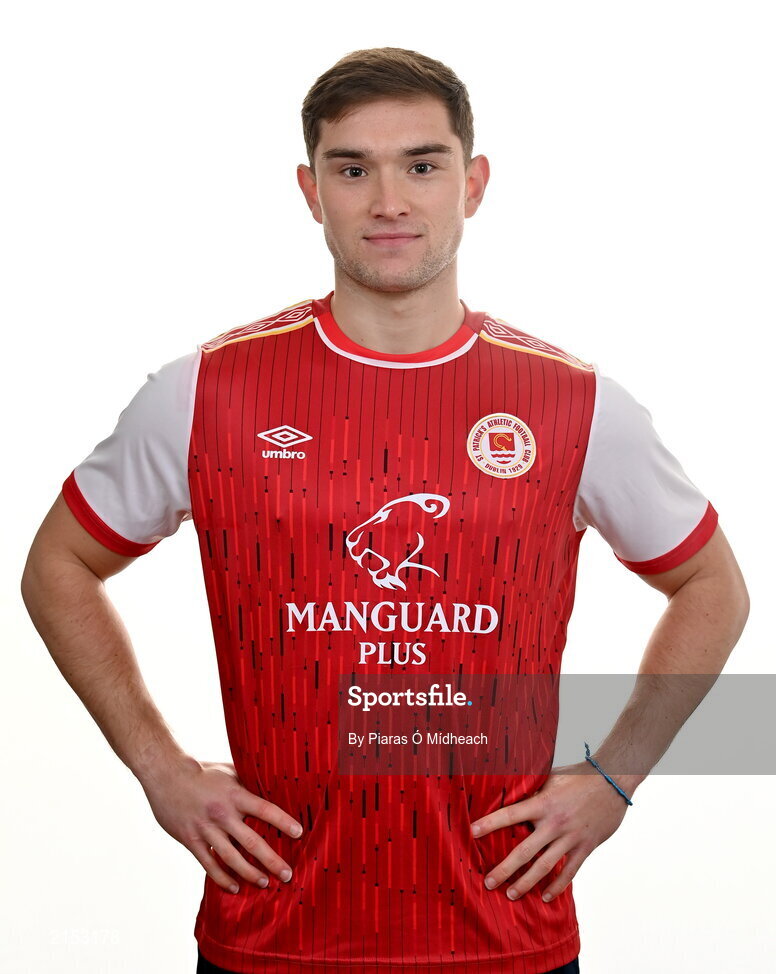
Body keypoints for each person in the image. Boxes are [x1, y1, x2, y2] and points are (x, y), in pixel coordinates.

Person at [21, 47, 749, 974]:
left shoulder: (575, 402)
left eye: (422, 164)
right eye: (353, 168)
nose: (389, 200)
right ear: (309, 188)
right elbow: (57, 566)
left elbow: (712, 587)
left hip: (505, 935)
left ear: (473, 183)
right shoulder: (208, 391)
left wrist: (615, 777)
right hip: (270, 934)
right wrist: (159, 769)